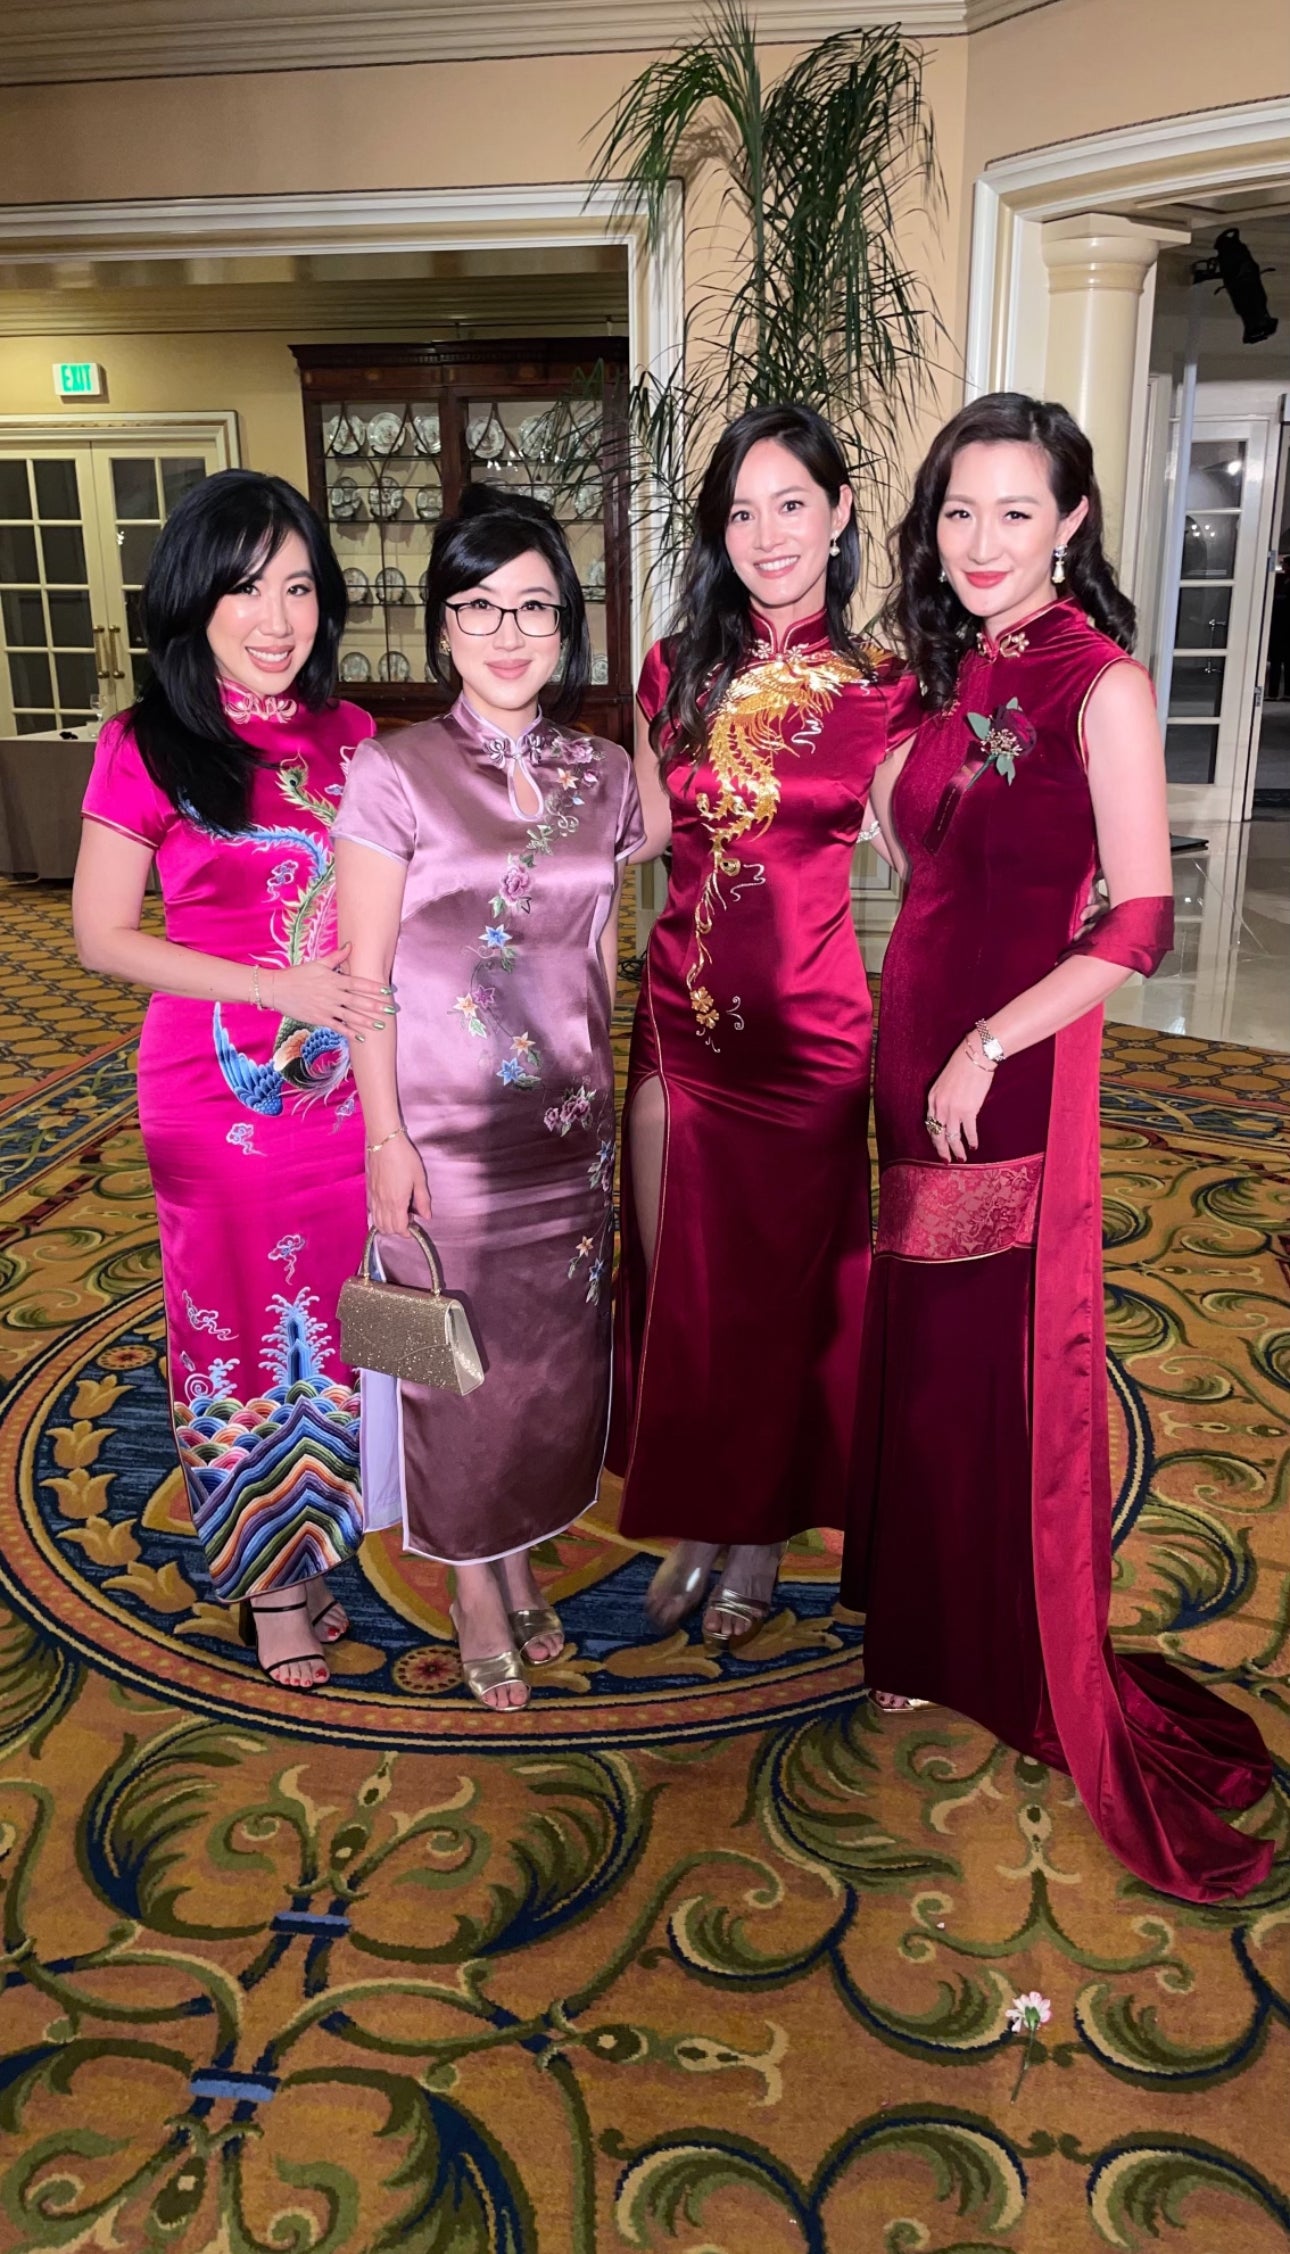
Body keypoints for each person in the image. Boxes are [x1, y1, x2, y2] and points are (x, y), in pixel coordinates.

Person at [841, 392, 1272, 1902]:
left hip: (1007, 1061)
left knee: (1003, 1358)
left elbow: (1136, 918)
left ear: (1071, 523)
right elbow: (914, 856)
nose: (978, 540)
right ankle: (923, 1632)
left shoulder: (1102, 684)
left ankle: (1015, 1652)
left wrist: (987, 1040)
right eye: (958, 509)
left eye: (1014, 512)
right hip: (919, 1043)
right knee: (929, 1345)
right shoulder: (942, 670)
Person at [74, 469, 388, 1690]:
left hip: (341, 1087)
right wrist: (274, 990)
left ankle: (316, 1537)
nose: (277, 617)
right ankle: (268, 1580)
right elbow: (102, 937)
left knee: (337, 1324)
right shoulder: (145, 741)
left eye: (300, 585)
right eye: (249, 587)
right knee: (241, 1330)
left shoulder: (351, 737)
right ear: (196, 599)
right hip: (216, 1096)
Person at [611, 403, 920, 1643]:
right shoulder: (674, 665)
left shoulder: (884, 688)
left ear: (840, 514)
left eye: (792, 502)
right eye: (741, 510)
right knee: (682, 1277)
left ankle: (754, 1531)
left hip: (807, 1039)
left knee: (781, 1293)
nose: (766, 531)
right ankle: (705, 1509)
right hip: (676, 1023)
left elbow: (924, 840)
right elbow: (633, 832)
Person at [333, 486, 642, 1713]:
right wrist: (385, 1138)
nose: (508, 633)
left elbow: (600, 951)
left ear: (568, 624)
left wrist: (608, 1101)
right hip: (446, 1138)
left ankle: (518, 1560)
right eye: (479, 607)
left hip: (568, 1136)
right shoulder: (394, 771)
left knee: (549, 1369)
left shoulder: (604, 770)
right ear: (441, 625)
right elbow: (363, 983)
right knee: (458, 1372)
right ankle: (472, 1583)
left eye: (534, 607)